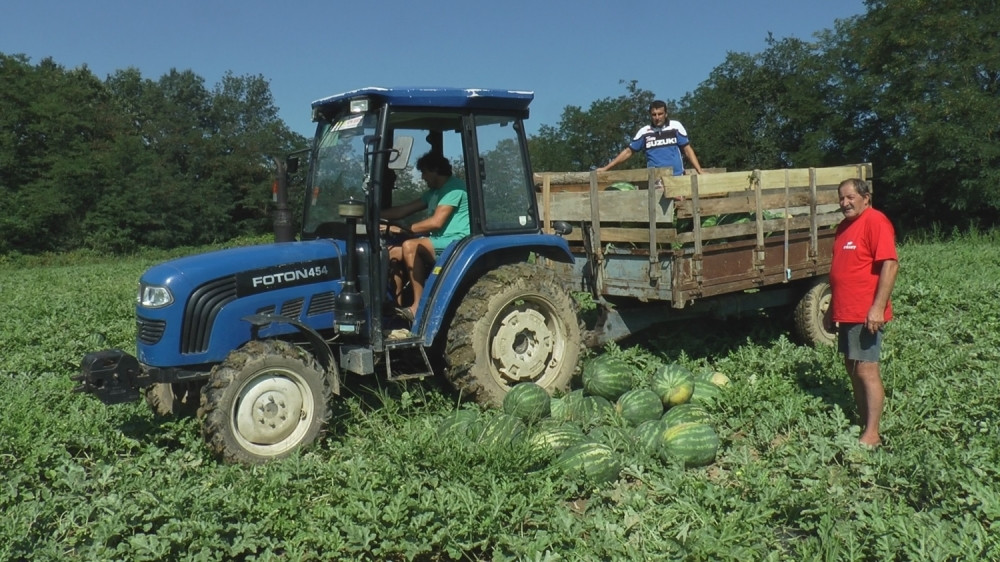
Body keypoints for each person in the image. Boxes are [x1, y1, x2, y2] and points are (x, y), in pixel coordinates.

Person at [824, 178, 899, 448]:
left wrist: (877, 307)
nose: (845, 203)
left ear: (865, 197)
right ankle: (862, 419)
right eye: (841, 198)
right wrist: (832, 308)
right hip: (846, 311)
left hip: (865, 312)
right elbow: (842, 271)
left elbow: (890, 265)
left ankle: (872, 433)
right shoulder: (843, 228)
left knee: (867, 370)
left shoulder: (875, 221)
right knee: (851, 366)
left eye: (850, 197)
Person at [382, 152, 470, 322]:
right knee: (391, 252)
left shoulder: (454, 189)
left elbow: (436, 223)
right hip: (438, 241)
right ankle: (396, 307)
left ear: (435, 170)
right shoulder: (433, 193)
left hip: (457, 242)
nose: (422, 177)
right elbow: (402, 211)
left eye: (424, 172)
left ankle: (418, 307)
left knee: (410, 245)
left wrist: (405, 229)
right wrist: (371, 214)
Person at [596, 100, 704, 176]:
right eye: (654, 114)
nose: (657, 118)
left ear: (666, 114)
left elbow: (687, 150)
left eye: (660, 114)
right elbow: (628, 152)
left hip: (677, 176)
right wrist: (606, 168)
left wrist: (699, 171)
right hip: (656, 179)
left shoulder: (675, 127)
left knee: (681, 206)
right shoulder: (644, 132)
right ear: (650, 115)